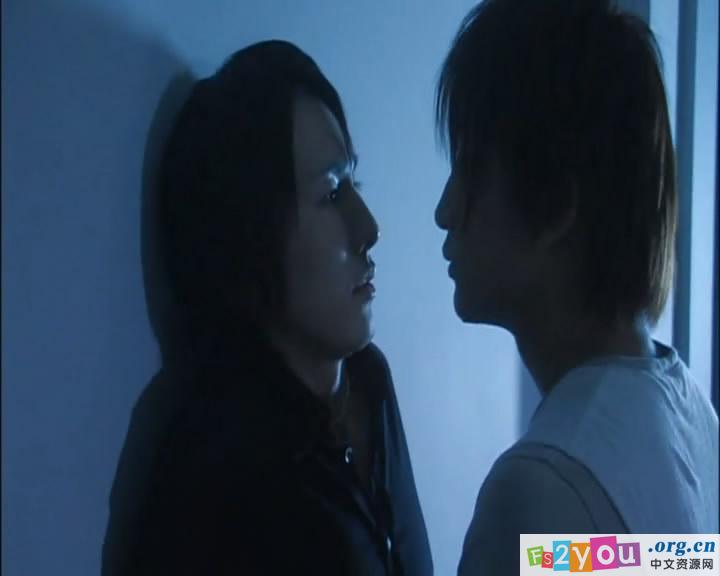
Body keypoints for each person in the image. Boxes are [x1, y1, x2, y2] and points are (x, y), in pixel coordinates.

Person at [103, 40, 433, 576]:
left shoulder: (369, 383)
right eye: (331, 193)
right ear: (251, 234)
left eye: (354, 182)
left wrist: (561, 553)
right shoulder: (209, 458)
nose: (368, 228)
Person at [433, 0, 719, 573]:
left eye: (471, 170)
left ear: (557, 208)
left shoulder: (536, 500)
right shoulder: (694, 417)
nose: (444, 211)